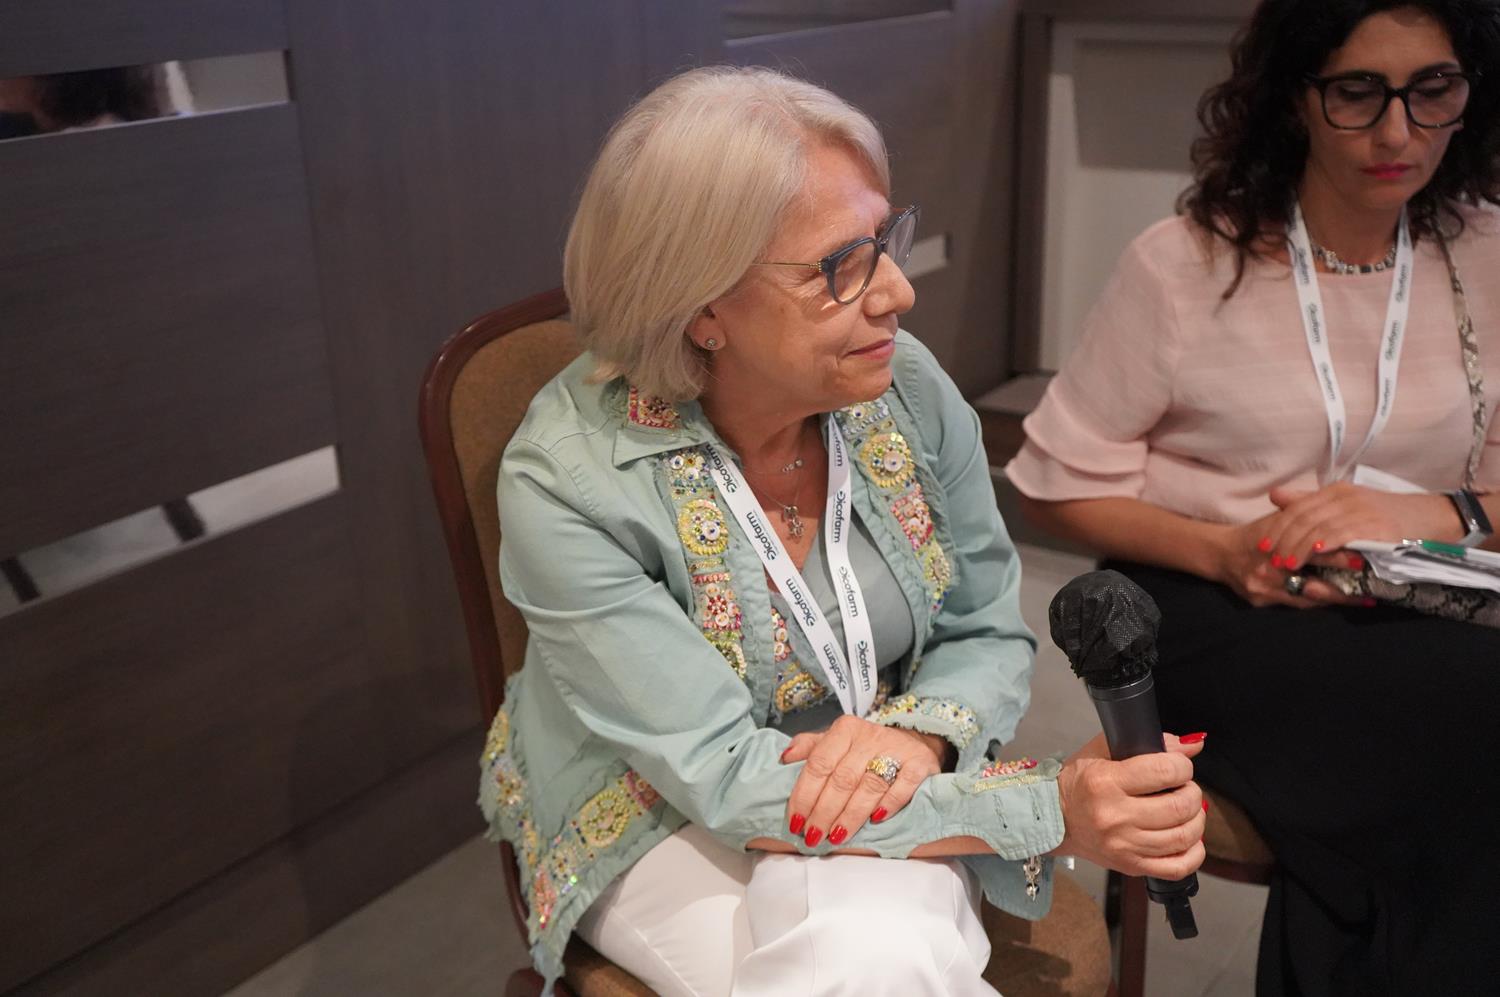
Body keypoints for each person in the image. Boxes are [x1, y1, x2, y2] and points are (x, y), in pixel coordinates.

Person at [482, 66, 1206, 996]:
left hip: (899, 758)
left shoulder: (906, 387)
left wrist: (922, 738)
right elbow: (720, 773)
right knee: (879, 957)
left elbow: (983, 625)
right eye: (841, 266)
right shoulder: (568, 480)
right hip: (654, 802)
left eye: (884, 241)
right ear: (702, 307)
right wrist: (1046, 807)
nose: (898, 291)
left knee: (868, 956)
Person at [1006, 2, 1500, 994]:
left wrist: (1433, 514)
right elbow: (1050, 490)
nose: (1398, 132)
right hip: (1212, 601)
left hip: (1424, 588)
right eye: (1358, 92)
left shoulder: (1483, 251)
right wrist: (1226, 552)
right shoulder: (1185, 264)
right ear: (1295, 99)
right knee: (1464, 718)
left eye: (1432, 90)